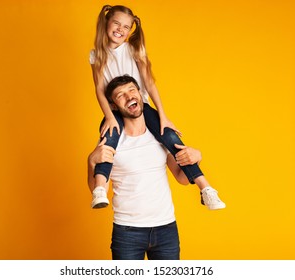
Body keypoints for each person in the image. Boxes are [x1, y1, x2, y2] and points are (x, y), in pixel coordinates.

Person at [89, 5, 225, 210]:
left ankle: (205, 188)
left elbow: (150, 83)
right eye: (116, 23)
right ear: (106, 23)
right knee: (108, 143)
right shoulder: (96, 55)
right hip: (115, 109)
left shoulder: (133, 49)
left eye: (126, 27)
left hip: (140, 106)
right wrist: (108, 116)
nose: (120, 29)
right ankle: (100, 190)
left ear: (131, 30)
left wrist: (163, 114)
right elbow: (99, 89)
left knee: (170, 137)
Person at [88, 75, 205, 259]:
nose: (129, 97)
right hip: (127, 232)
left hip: (166, 229)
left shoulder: (160, 134)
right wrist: (91, 162)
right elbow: (97, 188)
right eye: (120, 95)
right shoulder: (112, 139)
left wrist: (198, 157)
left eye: (132, 90)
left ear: (141, 95)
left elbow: (181, 178)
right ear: (113, 106)